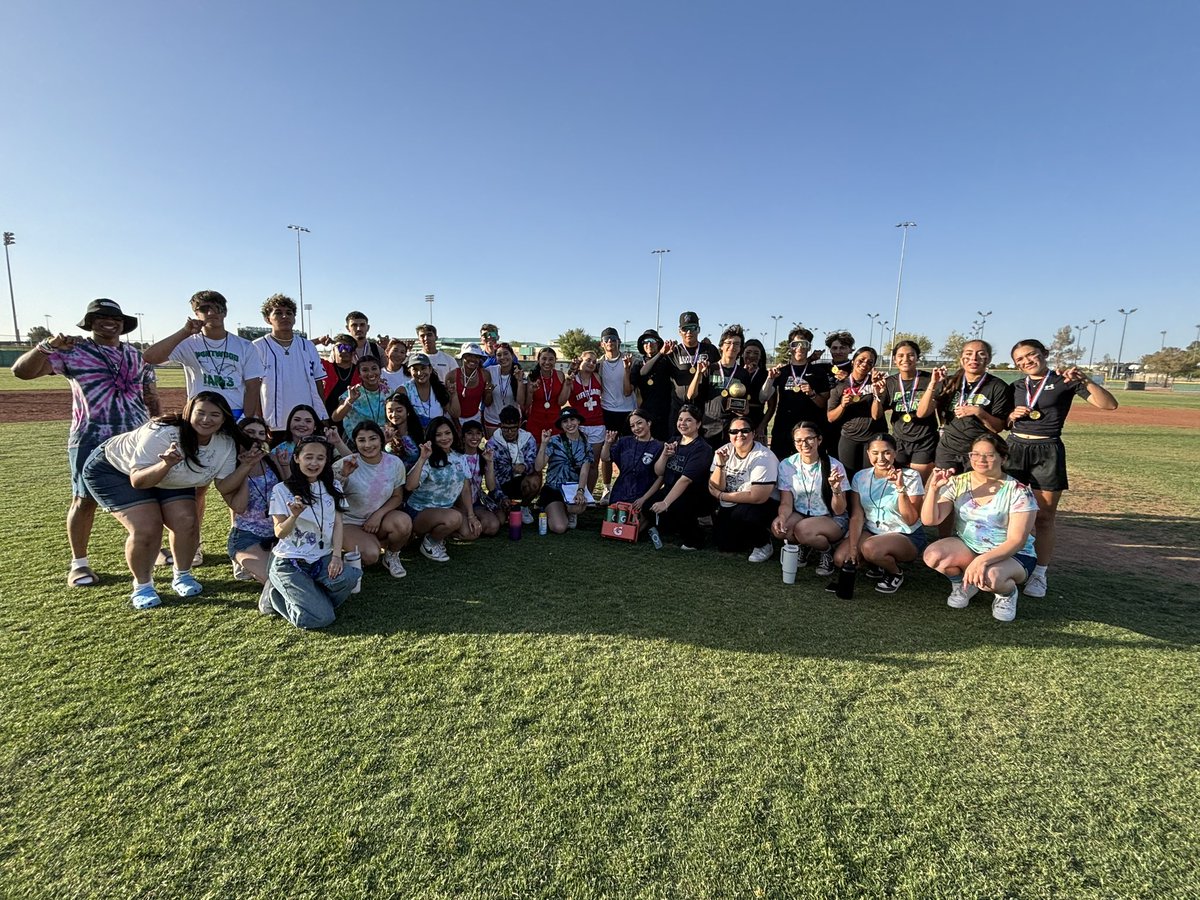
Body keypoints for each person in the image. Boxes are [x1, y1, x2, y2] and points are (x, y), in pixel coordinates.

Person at [11, 297, 160, 588]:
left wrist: (155, 426)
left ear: (123, 324)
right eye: (101, 317)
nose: (110, 322)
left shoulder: (136, 355)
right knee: (84, 499)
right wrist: (46, 346)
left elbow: (150, 394)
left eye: (115, 318)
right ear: (90, 323)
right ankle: (79, 563)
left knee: (147, 492)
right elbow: (21, 372)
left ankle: (152, 548)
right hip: (91, 435)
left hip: (135, 437)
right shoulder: (73, 351)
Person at [81, 391, 255, 609]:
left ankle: (182, 575)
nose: (206, 419)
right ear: (188, 412)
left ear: (224, 419)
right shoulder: (163, 433)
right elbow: (138, 481)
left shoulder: (225, 443)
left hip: (171, 477)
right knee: (147, 527)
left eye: (214, 415)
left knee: (186, 521)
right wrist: (165, 464)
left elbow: (223, 486)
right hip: (117, 470)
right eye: (200, 413)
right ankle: (142, 586)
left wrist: (247, 466)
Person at [1004, 338, 1119, 598]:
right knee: (1007, 512)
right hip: (1014, 450)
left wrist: (1086, 379)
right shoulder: (1016, 386)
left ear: (1044, 354)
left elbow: (1109, 405)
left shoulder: (1064, 381)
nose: (1026, 362)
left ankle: (1039, 575)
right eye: (1020, 360)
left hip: (1048, 451)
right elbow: (1003, 422)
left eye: (1030, 355)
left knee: (1044, 517)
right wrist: (1011, 416)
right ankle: (1007, 561)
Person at [921, 434, 1037, 622]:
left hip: (1012, 554)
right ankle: (963, 585)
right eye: (975, 454)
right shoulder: (959, 482)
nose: (980, 460)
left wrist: (982, 561)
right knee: (933, 555)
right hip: (970, 546)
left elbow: (1017, 540)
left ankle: (1007, 594)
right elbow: (930, 520)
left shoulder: (1019, 490)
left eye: (989, 455)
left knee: (990, 577)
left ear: (1003, 458)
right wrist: (933, 490)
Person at [262, 435, 360, 628]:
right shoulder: (281, 490)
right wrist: (294, 516)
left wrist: (336, 556)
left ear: (326, 461)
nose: (314, 463)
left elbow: (338, 524)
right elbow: (280, 533)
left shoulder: (333, 486)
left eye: (320, 458)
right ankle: (276, 597)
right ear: (297, 458)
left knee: (350, 577)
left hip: (321, 558)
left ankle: (310, 597)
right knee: (323, 618)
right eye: (308, 457)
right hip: (289, 562)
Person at [143, 290, 263, 420]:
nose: (211, 313)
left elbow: (253, 386)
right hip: (199, 413)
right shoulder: (188, 343)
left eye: (217, 308)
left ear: (225, 312)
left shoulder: (245, 346)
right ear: (196, 314)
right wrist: (184, 332)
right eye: (204, 309)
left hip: (233, 412)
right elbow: (150, 357)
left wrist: (244, 419)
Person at [833, 434, 926, 595]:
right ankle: (876, 563)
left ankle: (895, 573)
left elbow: (911, 520)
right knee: (842, 559)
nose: (881, 458)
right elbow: (857, 516)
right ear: (868, 453)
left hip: (905, 534)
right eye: (875, 453)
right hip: (873, 532)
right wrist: (854, 547)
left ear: (895, 453)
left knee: (870, 548)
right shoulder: (861, 477)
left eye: (887, 452)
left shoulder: (910, 476)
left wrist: (900, 488)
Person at [918, 339, 1011, 476]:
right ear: (962, 359)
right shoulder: (950, 382)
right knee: (945, 492)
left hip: (978, 451)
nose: (974, 358)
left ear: (989, 358)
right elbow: (922, 413)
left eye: (980, 354)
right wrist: (933, 384)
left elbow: (997, 428)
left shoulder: (998, 386)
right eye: (969, 353)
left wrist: (979, 412)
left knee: (974, 494)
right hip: (948, 450)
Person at [771, 421, 849, 576]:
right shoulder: (787, 465)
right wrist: (781, 517)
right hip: (801, 513)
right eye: (798, 440)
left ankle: (826, 552)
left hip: (831, 517)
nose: (804, 444)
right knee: (780, 529)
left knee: (802, 529)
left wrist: (836, 489)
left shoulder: (834, 466)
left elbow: (839, 510)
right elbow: (786, 502)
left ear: (819, 440)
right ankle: (805, 544)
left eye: (809, 439)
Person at [337, 421, 412, 579]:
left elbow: (397, 496)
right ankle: (348, 554)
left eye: (373, 439)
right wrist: (342, 476)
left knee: (403, 522)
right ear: (355, 442)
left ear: (381, 439)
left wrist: (378, 515)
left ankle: (392, 555)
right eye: (361, 440)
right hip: (348, 521)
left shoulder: (394, 463)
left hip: (379, 519)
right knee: (371, 555)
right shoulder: (346, 463)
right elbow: (329, 497)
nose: (368, 445)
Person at [404, 416, 478, 562]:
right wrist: (422, 459)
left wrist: (471, 516)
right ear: (432, 437)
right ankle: (429, 543)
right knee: (454, 518)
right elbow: (409, 486)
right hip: (420, 511)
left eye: (447, 433)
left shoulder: (459, 457)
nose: (444, 438)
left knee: (471, 533)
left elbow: (465, 489)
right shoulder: (428, 459)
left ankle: (436, 533)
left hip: (445, 509)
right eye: (438, 435)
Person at [708, 416, 780, 562]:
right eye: (734, 431)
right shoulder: (723, 451)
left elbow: (758, 497)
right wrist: (721, 466)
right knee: (725, 544)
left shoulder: (763, 457)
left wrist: (722, 496)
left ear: (753, 433)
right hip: (733, 500)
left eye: (744, 431)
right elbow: (715, 486)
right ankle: (747, 536)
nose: (739, 435)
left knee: (745, 514)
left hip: (765, 503)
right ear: (729, 435)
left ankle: (763, 543)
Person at [253, 294, 326, 432]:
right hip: (274, 424)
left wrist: (321, 415)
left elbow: (318, 383)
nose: (285, 316)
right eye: (278, 313)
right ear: (268, 319)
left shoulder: (308, 346)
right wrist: (258, 418)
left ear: (294, 318)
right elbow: (253, 387)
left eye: (289, 313)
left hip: (307, 422)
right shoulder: (258, 347)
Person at [223, 417, 282, 585]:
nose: (256, 437)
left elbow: (287, 493)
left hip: (278, 533)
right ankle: (243, 561)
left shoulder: (271, 461)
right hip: (248, 535)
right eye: (250, 432)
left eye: (261, 433)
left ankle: (254, 564)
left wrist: (284, 467)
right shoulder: (231, 466)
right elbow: (240, 508)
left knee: (298, 575)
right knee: (274, 580)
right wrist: (246, 467)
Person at [649, 404, 715, 549]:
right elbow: (659, 471)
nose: (682, 424)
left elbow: (685, 480)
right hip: (671, 489)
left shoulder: (702, 449)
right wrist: (664, 455)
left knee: (677, 506)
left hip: (694, 495)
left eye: (688, 420)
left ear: (698, 424)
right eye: (680, 419)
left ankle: (695, 539)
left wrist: (665, 503)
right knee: (648, 504)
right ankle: (673, 528)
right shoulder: (675, 440)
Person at [762, 326, 830, 460]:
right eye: (795, 344)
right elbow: (763, 397)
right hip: (783, 428)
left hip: (811, 429)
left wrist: (812, 393)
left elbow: (824, 404)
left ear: (809, 347)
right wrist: (770, 379)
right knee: (780, 466)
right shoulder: (781, 372)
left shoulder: (818, 372)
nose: (799, 348)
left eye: (804, 344)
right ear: (790, 347)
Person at [877, 340, 937, 483]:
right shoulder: (889, 382)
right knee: (898, 483)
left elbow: (929, 410)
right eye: (901, 355)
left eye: (910, 355)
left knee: (917, 485)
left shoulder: (930, 379)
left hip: (924, 440)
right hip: (899, 440)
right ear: (894, 359)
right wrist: (877, 395)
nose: (905, 359)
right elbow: (876, 413)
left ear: (917, 357)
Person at [600, 409, 664, 539]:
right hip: (621, 492)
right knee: (616, 529)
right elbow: (605, 458)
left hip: (642, 495)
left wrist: (643, 499)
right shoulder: (625, 442)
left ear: (649, 423)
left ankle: (649, 520)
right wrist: (608, 442)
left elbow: (660, 478)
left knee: (633, 531)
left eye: (639, 423)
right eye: (632, 426)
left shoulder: (659, 446)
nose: (636, 428)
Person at [826, 346, 887, 477]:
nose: (865, 364)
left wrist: (877, 393)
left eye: (870, 362)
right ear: (853, 361)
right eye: (861, 360)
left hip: (873, 438)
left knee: (869, 477)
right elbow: (830, 417)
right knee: (847, 477)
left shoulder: (876, 382)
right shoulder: (840, 385)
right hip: (849, 438)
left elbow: (876, 416)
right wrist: (842, 405)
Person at [534, 406, 592, 533]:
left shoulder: (586, 444)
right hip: (553, 489)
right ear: (561, 425)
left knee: (578, 507)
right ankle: (549, 507)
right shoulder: (554, 441)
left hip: (572, 489)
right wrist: (543, 444)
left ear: (578, 421)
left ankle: (569, 511)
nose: (569, 424)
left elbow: (584, 472)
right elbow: (538, 467)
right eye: (565, 421)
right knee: (559, 528)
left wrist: (580, 491)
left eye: (572, 419)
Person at [697, 325, 752, 449]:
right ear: (721, 346)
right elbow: (698, 396)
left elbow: (746, 403)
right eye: (728, 342)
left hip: (732, 428)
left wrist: (745, 410)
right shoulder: (710, 368)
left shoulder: (743, 374)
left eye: (737, 344)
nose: (732, 347)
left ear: (740, 349)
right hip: (709, 426)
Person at [597, 327, 637, 490]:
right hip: (607, 412)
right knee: (607, 453)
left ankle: (627, 485)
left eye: (613, 339)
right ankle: (607, 488)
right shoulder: (598, 364)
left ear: (619, 342)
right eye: (607, 340)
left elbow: (628, 392)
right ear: (602, 344)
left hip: (627, 412)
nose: (610, 342)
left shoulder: (630, 361)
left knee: (629, 452)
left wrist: (627, 369)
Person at [486, 404, 541, 523]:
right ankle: (504, 505)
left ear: (520, 425)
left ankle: (524, 507)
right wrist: (501, 497)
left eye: (513, 428)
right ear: (500, 425)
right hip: (501, 484)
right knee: (500, 521)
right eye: (505, 428)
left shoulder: (529, 439)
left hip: (522, 481)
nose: (509, 432)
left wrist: (524, 466)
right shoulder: (492, 444)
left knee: (535, 479)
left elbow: (533, 464)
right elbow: (491, 477)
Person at [560, 351, 606, 493]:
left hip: (597, 425)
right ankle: (573, 492)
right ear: (580, 361)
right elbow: (563, 400)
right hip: (578, 426)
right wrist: (567, 384)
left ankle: (589, 494)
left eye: (594, 361)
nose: (591, 363)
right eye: (588, 360)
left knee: (593, 463)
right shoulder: (573, 379)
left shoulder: (597, 377)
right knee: (575, 462)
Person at [665, 311, 719, 424]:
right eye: (685, 329)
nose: (689, 332)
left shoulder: (709, 349)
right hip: (679, 408)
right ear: (679, 331)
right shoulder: (674, 352)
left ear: (698, 329)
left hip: (703, 407)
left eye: (693, 328)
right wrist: (662, 354)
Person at [457, 420, 502, 538]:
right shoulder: (456, 456)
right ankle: (460, 527)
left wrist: (490, 462)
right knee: (470, 533)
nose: (474, 437)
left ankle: (468, 525)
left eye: (478, 433)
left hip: (475, 502)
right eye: (470, 433)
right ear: (463, 437)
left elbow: (491, 487)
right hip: (457, 503)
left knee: (493, 526)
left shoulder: (483, 456)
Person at [631, 329, 674, 440]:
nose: (649, 344)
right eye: (645, 341)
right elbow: (643, 372)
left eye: (652, 341)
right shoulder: (638, 363)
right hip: (646, 411)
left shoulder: (666, 360)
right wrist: (660, 354)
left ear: (658, 344)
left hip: (665, 411)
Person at [331, 356, 389, 434]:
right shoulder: (352, 393)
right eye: (365, 370)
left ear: (380, 371)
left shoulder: (388, 392)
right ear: (359, 374)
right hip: (355, 441)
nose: (371, 373)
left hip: (381, 440)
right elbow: (335, 418)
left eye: (374, 368)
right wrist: (349, 401)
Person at [403, 351, 459, 428]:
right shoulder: (404, 390)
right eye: (415, 369)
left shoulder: (439, 389)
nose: (420, 373)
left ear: (430, 369)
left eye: (423, 368)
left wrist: (454, 394)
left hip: (437, 437)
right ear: (410, 371)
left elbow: (455, 413)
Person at [481, 342, 527, 436]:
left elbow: (520, 401)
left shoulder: (519, 373)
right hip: (492, 420)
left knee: (512, 449)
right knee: (493, 448)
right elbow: (487, 402)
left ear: (512, 355)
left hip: (512, 421)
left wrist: (519, 381)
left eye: (506, 353)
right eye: (499, 355)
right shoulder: (490, 371)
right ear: (495, 357)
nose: (502, 357)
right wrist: (488, 393)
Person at [526, 347, 565, 446]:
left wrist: (568, 386)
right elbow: (527, 404)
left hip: (555, 422)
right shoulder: (532, 377)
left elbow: (562, 402)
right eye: (544, 359)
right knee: (536, 457)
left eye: (551, 359)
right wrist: (530, 392)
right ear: (538, 359)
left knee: (556, 457)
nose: (547, 362)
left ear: (555, 360)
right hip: (536, 422)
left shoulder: (560, 375)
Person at [446, 343, 492, 426]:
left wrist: (488, 393)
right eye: (469, 355)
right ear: (463, 357)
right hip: (454, 420)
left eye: (477, 356)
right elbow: (447, 404)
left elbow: (487, 403)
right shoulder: (451, 376)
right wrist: (457, 426)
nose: (473, 359)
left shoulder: (485, 375)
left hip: (476, 419)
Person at [319, 335, 360, 416]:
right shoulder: (324, 366)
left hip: (351, 420)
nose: (344, 350)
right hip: (324, 417)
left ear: (354, 352)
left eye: (348, 347)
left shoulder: (360, 371)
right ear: (333, 350)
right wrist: (318, 341)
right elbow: (302, 352)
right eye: (340, 347)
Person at [738, 338, 770, 438]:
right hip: (737, 418)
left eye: (756, 353)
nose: (752, 356)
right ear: (742, 354)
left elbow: (772, 406)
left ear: (761, 356)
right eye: (748, 352)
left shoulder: (767, 375)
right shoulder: (736, 372)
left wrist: (762, 426)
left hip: (758, 419)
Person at [383, 390, 425, 469]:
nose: (394, 414)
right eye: (390, 411)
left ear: (408, 411)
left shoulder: (419, 432)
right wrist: (385, 442)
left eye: (399, 410)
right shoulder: (383, 433)